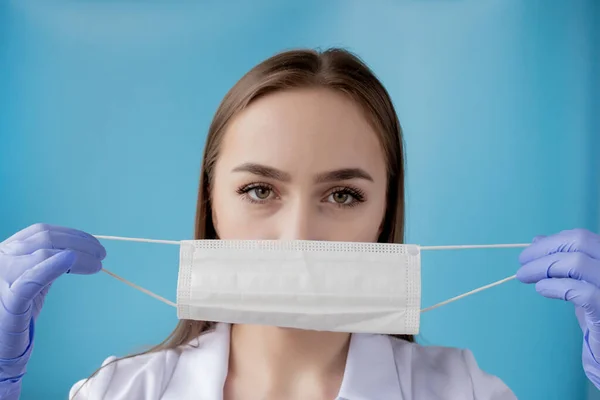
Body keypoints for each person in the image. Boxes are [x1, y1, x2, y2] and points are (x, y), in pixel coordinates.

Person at [0, 48, 599, 400]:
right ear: (210, 201)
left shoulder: (464, 394)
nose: (297, 237)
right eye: (260, 190)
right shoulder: (120, 394)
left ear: (387, 210)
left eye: (342, 194)